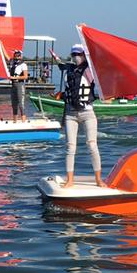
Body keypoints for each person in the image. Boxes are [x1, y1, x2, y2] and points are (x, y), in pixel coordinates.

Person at [51, 45, 104, 187]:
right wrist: (55, 57)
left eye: (78, 54)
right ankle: (70, 180)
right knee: (70, 147)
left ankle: (99, 179)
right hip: (70, 113)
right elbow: (61, 64)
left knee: (92, 145)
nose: (76, 57)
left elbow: (98, 60)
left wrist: (86, 38)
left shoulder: (90, 70)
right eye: (73, 54)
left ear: (84, 54)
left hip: (87, 113)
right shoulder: (69, 68)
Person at [8, 48, 29, 122]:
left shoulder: (23, 65)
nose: (17, 57)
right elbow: (5, 56)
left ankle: (23, 121)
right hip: (13, 85)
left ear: (21, 56)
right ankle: (15, 121)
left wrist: (14, 77)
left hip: (20, 84)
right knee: (14, 104)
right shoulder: (12, 63)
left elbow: (25, 76)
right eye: (15, 55)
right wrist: (0, 45)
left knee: (21, 104)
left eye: (18, 56)